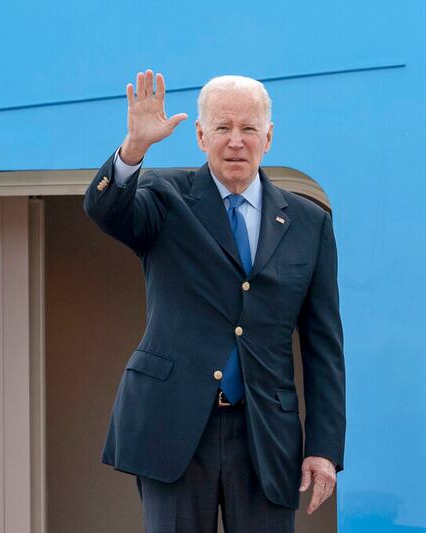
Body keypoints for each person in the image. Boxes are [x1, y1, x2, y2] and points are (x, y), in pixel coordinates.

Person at [84, 70, 345, 533]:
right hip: (174, 423)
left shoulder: (309, 223)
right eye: (223, 128)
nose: (236, 141)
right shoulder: (164, 195)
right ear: (201, 135)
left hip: (265, 433)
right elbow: (106, 211)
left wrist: (324, 448)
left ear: (269, 136)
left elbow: (324, 347)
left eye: (248, 129)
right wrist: (134, 150)